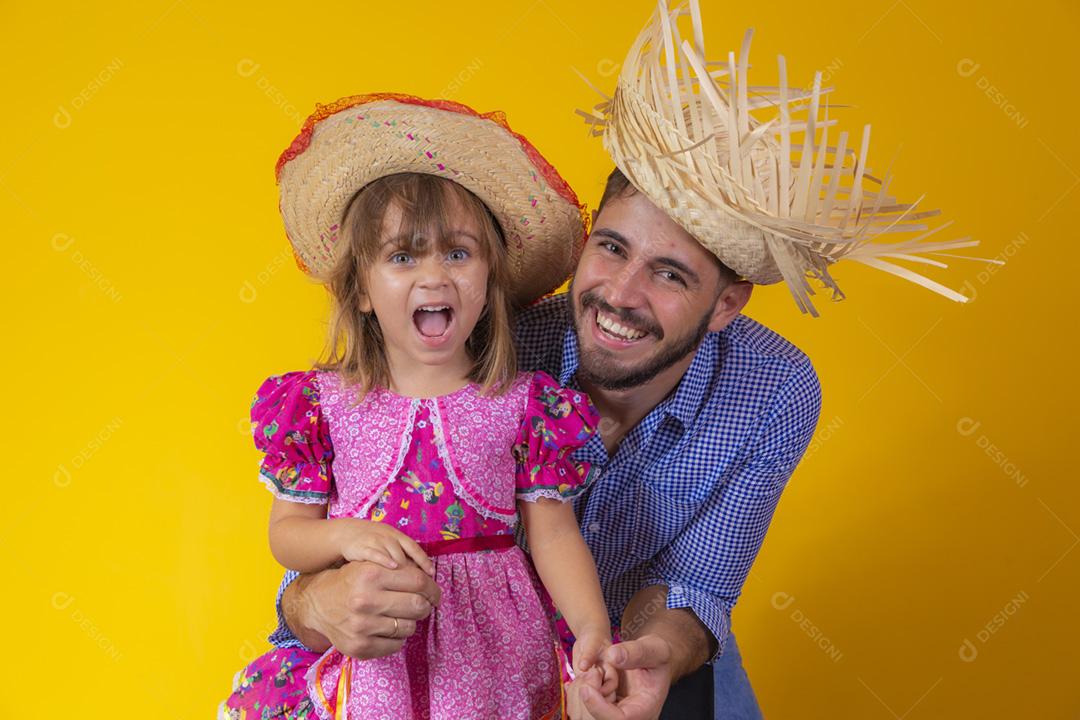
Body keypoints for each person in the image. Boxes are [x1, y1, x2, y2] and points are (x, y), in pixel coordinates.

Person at [256, 1, 982, 716]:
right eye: (610, 248)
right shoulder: (492, 340)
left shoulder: (774, 389)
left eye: (670, 274)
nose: (620, 295)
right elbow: (327, 513)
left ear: (726, 305)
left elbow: (698, 587)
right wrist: (317, 600)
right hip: (406, 660)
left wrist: (621, 648)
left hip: (598, 668)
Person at [220, 93, 619, 719]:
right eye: (403, 256)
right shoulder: (320, 404)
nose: (435, 276)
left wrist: (593, 628)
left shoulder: (526, 405)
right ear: (362, 293)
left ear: (489, 283)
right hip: (378, 640)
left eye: (458, 253)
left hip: (492, 654)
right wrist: (345, 536)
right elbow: (287, 536)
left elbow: (554, 535)